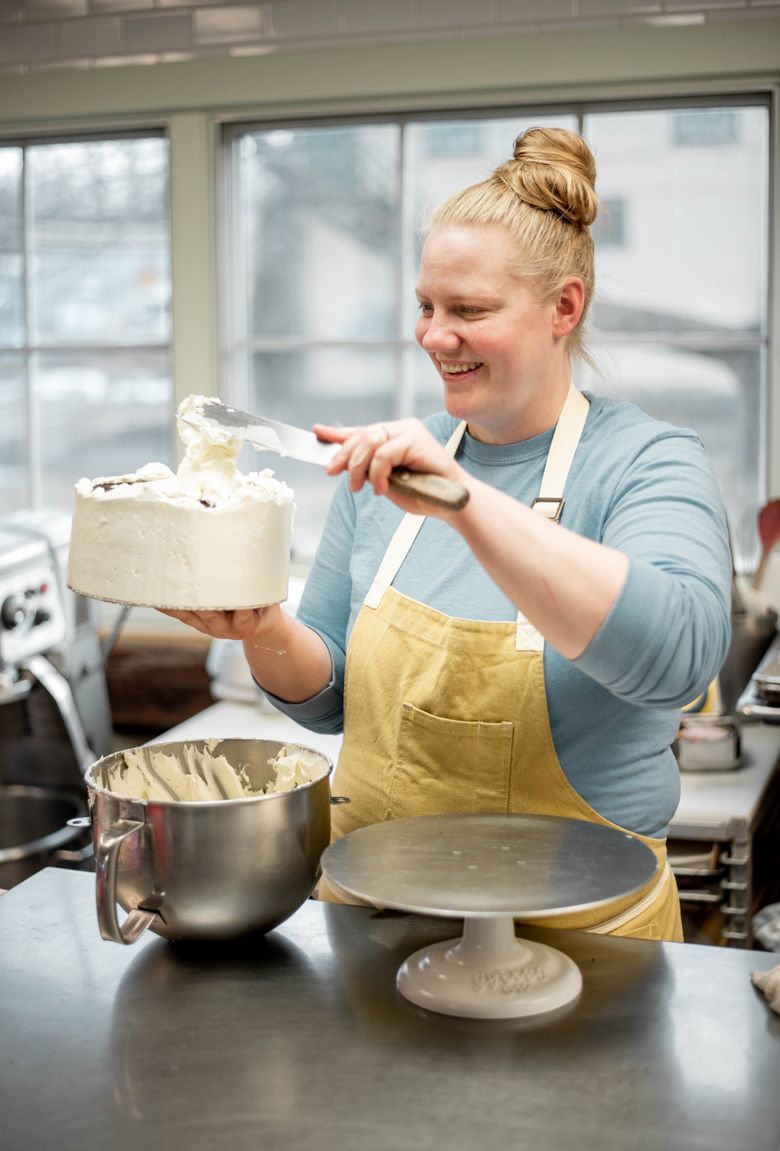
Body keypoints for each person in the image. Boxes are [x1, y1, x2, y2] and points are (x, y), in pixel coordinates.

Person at [165, 127, 732, 942]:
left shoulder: (648, 462)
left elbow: (677, 658)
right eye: (427, 306)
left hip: (583, 951)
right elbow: (327, 700)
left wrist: (464, 500)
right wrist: (265, 630)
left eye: (469, 310)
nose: (435, 336)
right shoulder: (397, 464)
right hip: (379, 931)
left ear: (563, 308)